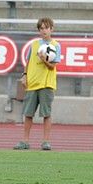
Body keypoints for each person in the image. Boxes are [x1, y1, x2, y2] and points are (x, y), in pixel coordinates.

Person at [15, 17, 61, 151]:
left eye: (46, 28)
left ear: (51, 29)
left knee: (46, 114)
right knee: (28, 114)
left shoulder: (55, 45)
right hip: (32, 84)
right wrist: (24, 75)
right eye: (41, 28)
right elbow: (28, 62)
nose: (44, 31)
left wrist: (44, 59)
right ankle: (25, 141)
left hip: (46, 84)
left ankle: (46, 142)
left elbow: (52, 66)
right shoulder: (34, 44)